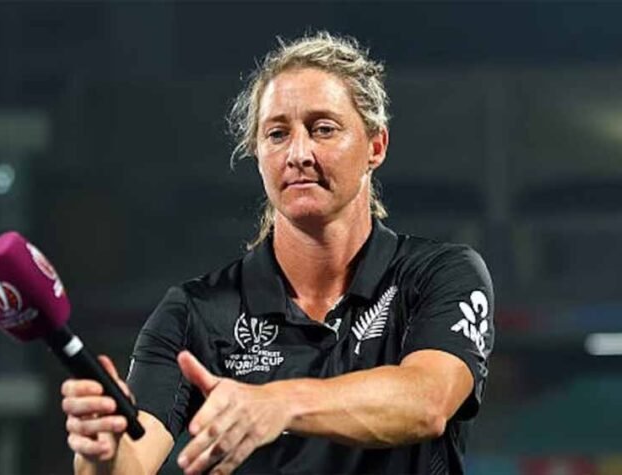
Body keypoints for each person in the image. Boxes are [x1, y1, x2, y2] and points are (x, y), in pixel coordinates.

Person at [61, 31, 494, 475]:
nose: (298, 153)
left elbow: (428, 402)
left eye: (323, 129)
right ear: (258, 154)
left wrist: (278, 403)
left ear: (376, 146)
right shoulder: (194, 312)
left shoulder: (441, 274)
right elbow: (131, 462)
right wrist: (102, 451)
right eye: (277, 134)